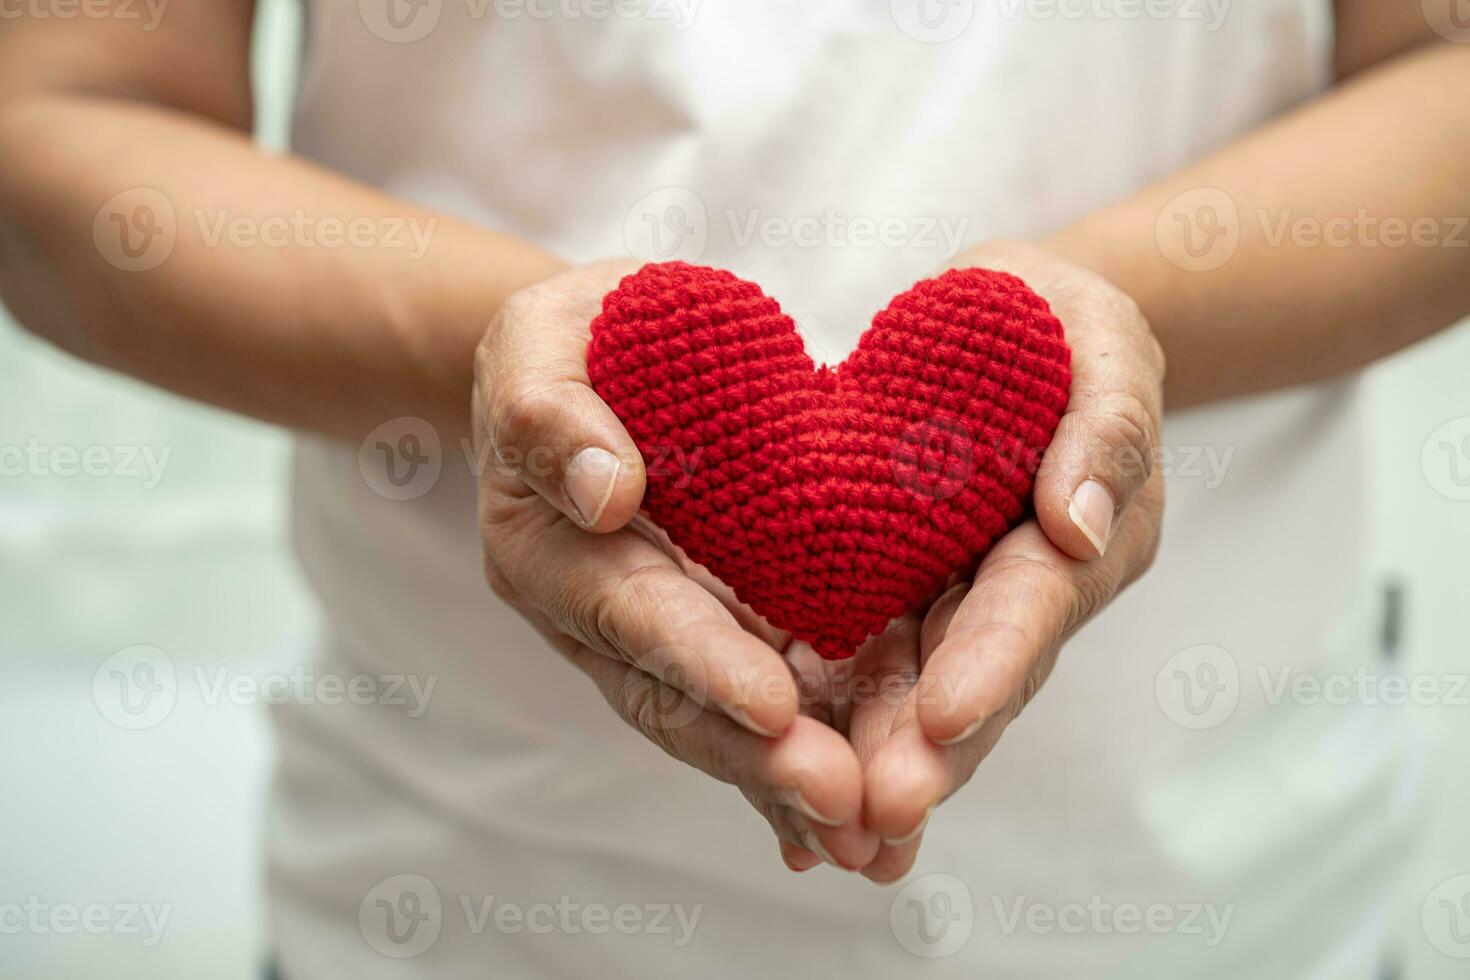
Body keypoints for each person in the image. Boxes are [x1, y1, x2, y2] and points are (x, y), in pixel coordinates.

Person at [1, 1, 1465, 976]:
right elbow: (55, 129)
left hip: (1234, 905)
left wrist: (1101, 332)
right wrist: (515, 365)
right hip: (460, 907)